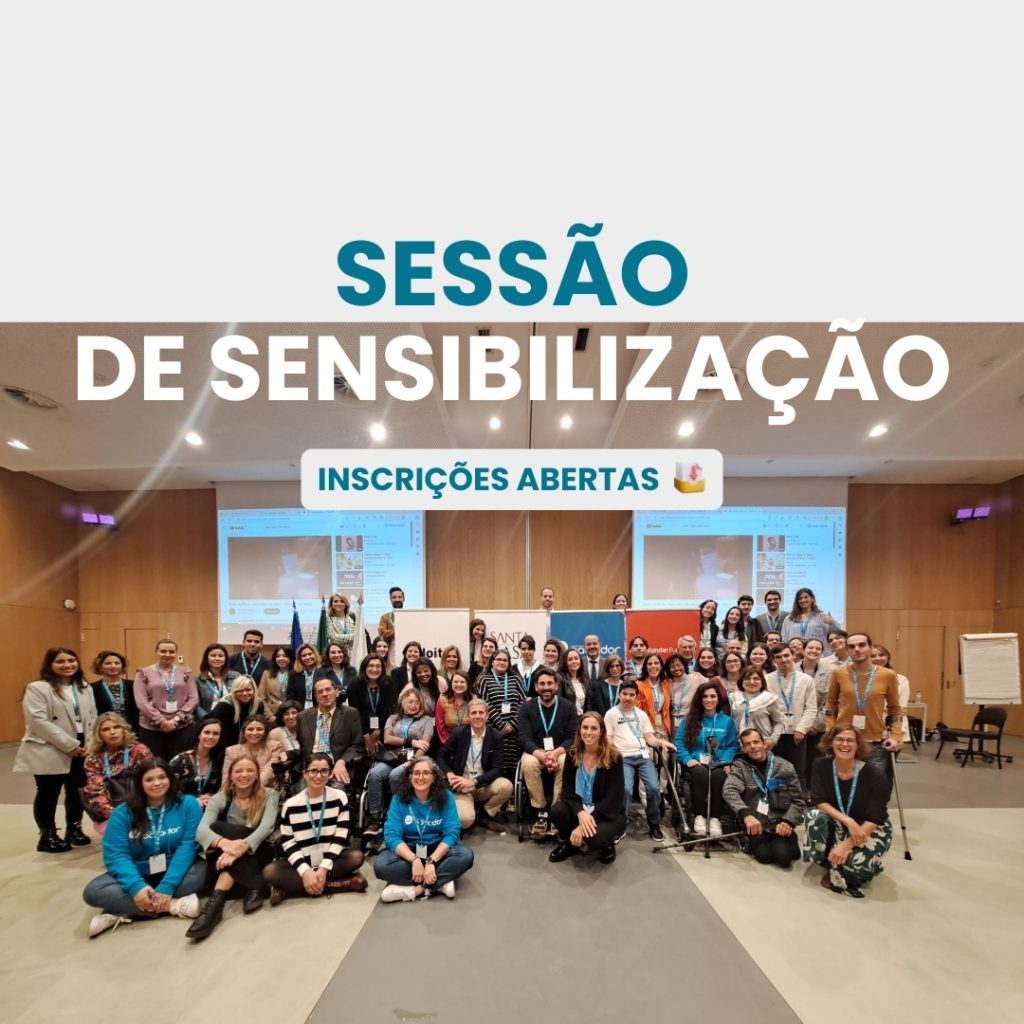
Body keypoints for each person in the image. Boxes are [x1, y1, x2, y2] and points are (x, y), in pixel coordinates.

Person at [82, 758, 204, 937]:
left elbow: (188, 846)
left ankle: (122, 910)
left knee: (201, 873)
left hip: (175, 869)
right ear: (139, 783)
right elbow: (116, 856)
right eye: (149, 779)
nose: (157, 783)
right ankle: (173, 905)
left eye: (162, 777)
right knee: (93, 892)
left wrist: (167, 887)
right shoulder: (122, 813)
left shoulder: (188, 804)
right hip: (138, 870)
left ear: (170, 779)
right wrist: (136, 887)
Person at [15, 646, 98, 852]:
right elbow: (38, 721)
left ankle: (74, 828)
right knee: (48, 792)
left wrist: (91, 743)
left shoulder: (84, 687)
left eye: (71, 660)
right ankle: (47, 835)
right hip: (50, 744)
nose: (67, 665)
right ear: (50, 665)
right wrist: (70, 745)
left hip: (82, 744)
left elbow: (93, 716)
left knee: (77, 790)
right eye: (60, 661)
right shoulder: (37, 688)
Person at [188, 755, 281, 938]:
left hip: (258, 850)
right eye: (238, 771)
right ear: (230, 775)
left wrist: (240, 848)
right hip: (234, 857)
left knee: (218, 828)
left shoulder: (270, 794)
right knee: (216, 828)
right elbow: (201, 831)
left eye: (250, 770)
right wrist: (227, 845)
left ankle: (213, 906)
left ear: (257, 774)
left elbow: (266, 828)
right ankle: (254, 886)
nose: (244, 774)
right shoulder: (219, 798)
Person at [262, 753, 367, 904]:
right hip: (303, 858)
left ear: (330, 773)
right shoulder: (291, 805)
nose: (318, 776)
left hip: (330, 857)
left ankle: (290, 889)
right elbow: (289, 843)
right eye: (313, 771)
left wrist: (323, 868)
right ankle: (342, 884)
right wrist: (305, 871)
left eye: (324, 771)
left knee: (356, 857)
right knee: (269, 872)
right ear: (305, 774)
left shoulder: (339, 797)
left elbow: (341, 835)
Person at [803, 723, 893, 898]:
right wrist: (847, 820)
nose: (844, 744)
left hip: (867, 826)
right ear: (831, 742)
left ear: (858, 745)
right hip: (839, 819)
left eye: (850, 740)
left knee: (857, 871)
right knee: (814, 816)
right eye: (839, 739)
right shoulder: (821, 765)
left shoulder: (876, 776)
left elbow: (875, 818)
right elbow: (818, 800)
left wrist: (847, 844)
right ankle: (829, 862)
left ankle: (846, 862)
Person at [374, 756, 474, 902]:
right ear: (409, 777)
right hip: (409, 851)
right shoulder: (398, 799)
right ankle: (440, 882)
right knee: (381, 865)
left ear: (434, 777)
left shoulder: (447, 797)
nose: (420, 777)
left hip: (437, 851)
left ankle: (417, 889)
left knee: (465, 855)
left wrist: (431, 861)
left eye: (426, 773)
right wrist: (414, 860)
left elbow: (452, 834)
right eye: (416, 773)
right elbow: (392, 836)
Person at [825, 632, 904, 789]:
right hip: (845, 741)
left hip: (874, 742)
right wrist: (830, 732)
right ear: (847, 650)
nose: (857, 649)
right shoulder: (839, 673)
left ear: (870, 647)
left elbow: (895, 708)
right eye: (852, 646)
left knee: (874, 787)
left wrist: (896, 735)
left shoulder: (887, 675)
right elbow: (831, 706)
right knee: (845, 787)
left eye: (861, 645)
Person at [548, 711, 625, 864]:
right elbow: (567, 793)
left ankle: (607, 844)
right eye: (585, 727)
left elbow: (613, 800)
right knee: (557, 811)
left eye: (594, 728)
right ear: (579, 730)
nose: (588, 732)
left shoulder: (614, 757)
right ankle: (571, 844)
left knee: (594, 838)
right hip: (582, 809)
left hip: (606, 813)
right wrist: (580, 812)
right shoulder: (572, 755)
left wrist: (582, 827)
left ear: (601, 731)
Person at [723, 728, 805, 868]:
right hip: (756, 824)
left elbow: (798, 800)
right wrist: (745, 814)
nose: (753, 746)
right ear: (743, 749)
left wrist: (789, 821)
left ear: (764, 743)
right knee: (764, 856)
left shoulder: (784, 766)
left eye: (756, 742)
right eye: (748, 744)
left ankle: (789, 840)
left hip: (780, 823)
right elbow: (729, 790)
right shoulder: (740, 766)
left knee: (783, 857)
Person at [604, 680, 674, 841]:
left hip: (642, 756)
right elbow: (608, 738)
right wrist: (612, 753)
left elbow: (649, 737)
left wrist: (661, 742)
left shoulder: (641, 714)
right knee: (626, 790)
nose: (628, 698)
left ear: (636, 697)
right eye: (624, 694)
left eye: (631, 695)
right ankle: (620, 824)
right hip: (623, 758)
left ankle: (654, 822)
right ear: (619, 695)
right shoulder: (611, 714)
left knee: (654, 788)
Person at [362, 688, 435, 839]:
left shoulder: (427, 720)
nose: (413, 705)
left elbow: (424, 746)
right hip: (392, 757)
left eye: (417, 702)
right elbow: (387, 739)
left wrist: (412, 762)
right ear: (402, 703)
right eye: (410, 702)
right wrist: (412, 742)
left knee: (396, 775)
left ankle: (395, 814)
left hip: (414, 759)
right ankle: (375, 818)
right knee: (375, 774)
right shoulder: (393, 718)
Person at [437, 698, 513, 833]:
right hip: (462, 787)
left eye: (481, 713)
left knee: (506, 786)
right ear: (468, 716)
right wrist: (449, 774)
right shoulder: (458, 733)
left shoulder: (496, 736)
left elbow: (498, 769)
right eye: (473, 713)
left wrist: (474, 781)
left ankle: (485, 814)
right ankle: (472, 813)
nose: (477, 716)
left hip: (483, 785)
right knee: (465, 821)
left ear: (487, 716)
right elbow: (441, 756)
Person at [518, 667, 578, 836]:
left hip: (560, 751)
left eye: (550, 683)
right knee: (528, 763)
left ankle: (557, 810)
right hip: (535, 752)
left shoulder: (568, 707)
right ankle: (539, 809)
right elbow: (524, 738)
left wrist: (555, 753)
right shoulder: (526, 707)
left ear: (556, 686)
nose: (546, 687)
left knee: (566, 761)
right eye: (542, 684)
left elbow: (572, 737)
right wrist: (541, 755)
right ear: (536, 687)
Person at [675, 681, 739, 838]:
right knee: (701, 774)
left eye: (712, 696)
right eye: (705, 696)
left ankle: (715, 818)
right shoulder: (688, 720)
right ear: (700, 699)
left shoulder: (727, 721)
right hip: (696, 763)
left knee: (718, 776)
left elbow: (732, 745)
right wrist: (687, 758)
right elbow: (679, 743)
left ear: (718, 699)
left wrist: (725, 761)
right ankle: (699, 816)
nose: (709, 700)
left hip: (718, 763)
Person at [82, 712, 153, 834]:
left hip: (143, 804)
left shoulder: (140, 750)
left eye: (116, 727)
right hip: (112, 809)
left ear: (124, 729)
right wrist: (115, 815)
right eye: (106, 729)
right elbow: (96, 791)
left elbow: (152, 779)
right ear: (99, 734)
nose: (112, 732)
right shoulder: (93, 758)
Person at [133, 638, 198, 760]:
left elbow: (193, 698)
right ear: (156, 651)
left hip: (181, 726)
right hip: (152, 728)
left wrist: (177, 718)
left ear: (176, 653)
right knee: (154, 763)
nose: (167, 655)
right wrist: (162, 721)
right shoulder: (143, 673)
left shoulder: (185, 672)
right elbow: (141, 701)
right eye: (163, 651)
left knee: (179, 763)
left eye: (171, 652)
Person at [296, 677, 364, 785]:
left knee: (335, 792)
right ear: (316, 697)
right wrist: (287, 754)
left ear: (336, 692)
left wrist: (342, 761)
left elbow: (358, 746)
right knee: (300, 793)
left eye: (328, 690)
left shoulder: (350, 714)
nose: (324, 694)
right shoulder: (302, 717)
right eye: (320, 692)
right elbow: (300, 747)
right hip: (311, 769)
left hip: (337, 767)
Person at [765, 644, 816, 778]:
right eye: (778, 657)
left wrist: (801, 729)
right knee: (774, 772)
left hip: (797, 733)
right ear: (773, 660)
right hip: (774, 734)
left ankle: (798, 793)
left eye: (786, 655)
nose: (783, 660)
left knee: (797, 772)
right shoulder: (766, 680)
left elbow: (811, 708)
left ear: (793, 656)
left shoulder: (806, 680)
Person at [477, 648, 527, 779]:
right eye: (498, 659)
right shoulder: (484, 679)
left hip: (514, 730)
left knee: (512, 766)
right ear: (492, 661)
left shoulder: (516, 678)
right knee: (496, 763)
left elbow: (523, 702)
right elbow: (485, 703)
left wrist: (512, 724)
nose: (502, 662)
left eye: (505, 660)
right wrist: (501, 725)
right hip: (494, 730)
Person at [346, 653, 394, 763]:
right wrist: (366, 735)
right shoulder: (355, 684)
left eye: (378, 666)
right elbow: (355, 713)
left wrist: (377, 732)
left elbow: (387, 710)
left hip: (383, 730)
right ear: (364, 667)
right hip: (361, 731)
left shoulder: (388, 682)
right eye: (371, 666)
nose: (374, 669)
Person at [799, 638, 833, 790]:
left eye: (818, 649)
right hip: (796, 726)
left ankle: (813, 793)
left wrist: (815, 724)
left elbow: (831, 702)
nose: (814, 651)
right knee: (798, 763)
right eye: (810, 648)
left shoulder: (830, 673)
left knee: (815, 761)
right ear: (803, 650)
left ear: (822, 652)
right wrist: (802, 724)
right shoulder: (792, 669)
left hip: (817, 727)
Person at [169, 718, 225, 808]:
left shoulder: (218, 761)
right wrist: (194, 801)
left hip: (206, 807)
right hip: (180, 807)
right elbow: (168, 789)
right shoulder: (180, 760)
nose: (211, 737)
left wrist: (209, 796)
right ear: (199, 735)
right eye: (207, 732)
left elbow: (218, 789)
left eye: (215, 734)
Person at [222, 714, 285, 789]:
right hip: (237, 792)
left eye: (259, 729)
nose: (254, 733)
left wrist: (247, 789)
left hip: (266, 791)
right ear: (244, 731)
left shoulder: (275, 747)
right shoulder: (231, 751)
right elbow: (226, 782)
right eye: (250, 729)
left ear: (265, 732)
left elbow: (267, 775)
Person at [729, 666, 784, 750]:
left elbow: (779, 723)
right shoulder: (733, 698)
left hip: (763, 745)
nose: (752, 682)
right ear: (741, 680)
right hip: (738, 746)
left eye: (756, 679)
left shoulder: (769, 698)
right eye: (747, 678)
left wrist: (773, 740)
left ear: (762, 681)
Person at [208, 675, 264, 747]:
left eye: (248, 690)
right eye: (240, 690)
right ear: (234, 691)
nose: (244, 693)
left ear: (254, 690)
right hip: (226, 745)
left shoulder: (259, 704)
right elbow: (219, 732)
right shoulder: (224, 706)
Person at [90, 650, 140, 731]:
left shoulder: (134, 685)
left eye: (117, 663)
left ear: (122, 666)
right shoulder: (92, 688)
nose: (113, 666)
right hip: (106, 731)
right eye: (108, 663)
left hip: (132, 731)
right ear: (100, 667)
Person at [871, 643, 912, 740]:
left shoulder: (901, 680)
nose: (878, 658)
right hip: (869, 724)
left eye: (881, 655)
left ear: (888, 657)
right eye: (872, 656)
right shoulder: (862, 679)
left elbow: (900, 708)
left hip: (892, 726)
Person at [194, 644, 238, 719]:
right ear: (206, 658)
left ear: (225, 658)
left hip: (232, 720)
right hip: (207, 720)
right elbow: (196, 705)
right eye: (213, 655)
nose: (217, 658)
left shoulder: (236, 676)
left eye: (221, 656)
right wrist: (208, 720)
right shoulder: (198, 680)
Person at [636, 651, 672, 741]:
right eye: (649, 664)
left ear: (661, 666)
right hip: (646, 724)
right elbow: (637, 710)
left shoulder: (667, 683)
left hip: (663, 725)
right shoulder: (639, 685)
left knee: (664, 749)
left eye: (656, 663)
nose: (653, 666)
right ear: (645, 667)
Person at [256, 645, 294, 720]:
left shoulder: (296, 674)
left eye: (285, 656)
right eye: (278, 656)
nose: (281, 659)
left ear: (290, 658)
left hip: (291, 715)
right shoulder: (267, 674)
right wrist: (270, 715)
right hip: (273, 715)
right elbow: (260, 697)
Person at [434, 668, 472, 744]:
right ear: (451, 683)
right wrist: (449, 743)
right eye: (456, 682)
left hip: (469, 741)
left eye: (462, 682)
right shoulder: (442, 699)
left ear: (468, 684)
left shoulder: (473, 700)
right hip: (448, 741)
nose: (459, 684)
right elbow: (440, 725)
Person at [325, 591, 365, 663]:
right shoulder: (328, 618)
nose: (339, 603)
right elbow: (335, 638)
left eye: (342, 601)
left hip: (353, 657)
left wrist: (356, 636)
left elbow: (360, 636)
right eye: (336, 601)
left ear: (345, 604)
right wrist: (356, 636)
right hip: (336, 657)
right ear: (331, 604)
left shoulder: (352, 616)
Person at [286, 643, 322, 710]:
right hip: (300, 710)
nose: (307, 657)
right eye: (304, 655)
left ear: (315, 655)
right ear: (299, 658)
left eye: (310, 654)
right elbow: (290, 696)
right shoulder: (293, 674)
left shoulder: (323, 672)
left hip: (320, 709)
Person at [562, 647, 588, 715]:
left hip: (583, 717)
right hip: (568, 717)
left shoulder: (584, 679)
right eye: (570, 659)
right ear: (565, 662)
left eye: (576, 658)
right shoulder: (560, 678)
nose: (574, 661)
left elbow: (588, 703)